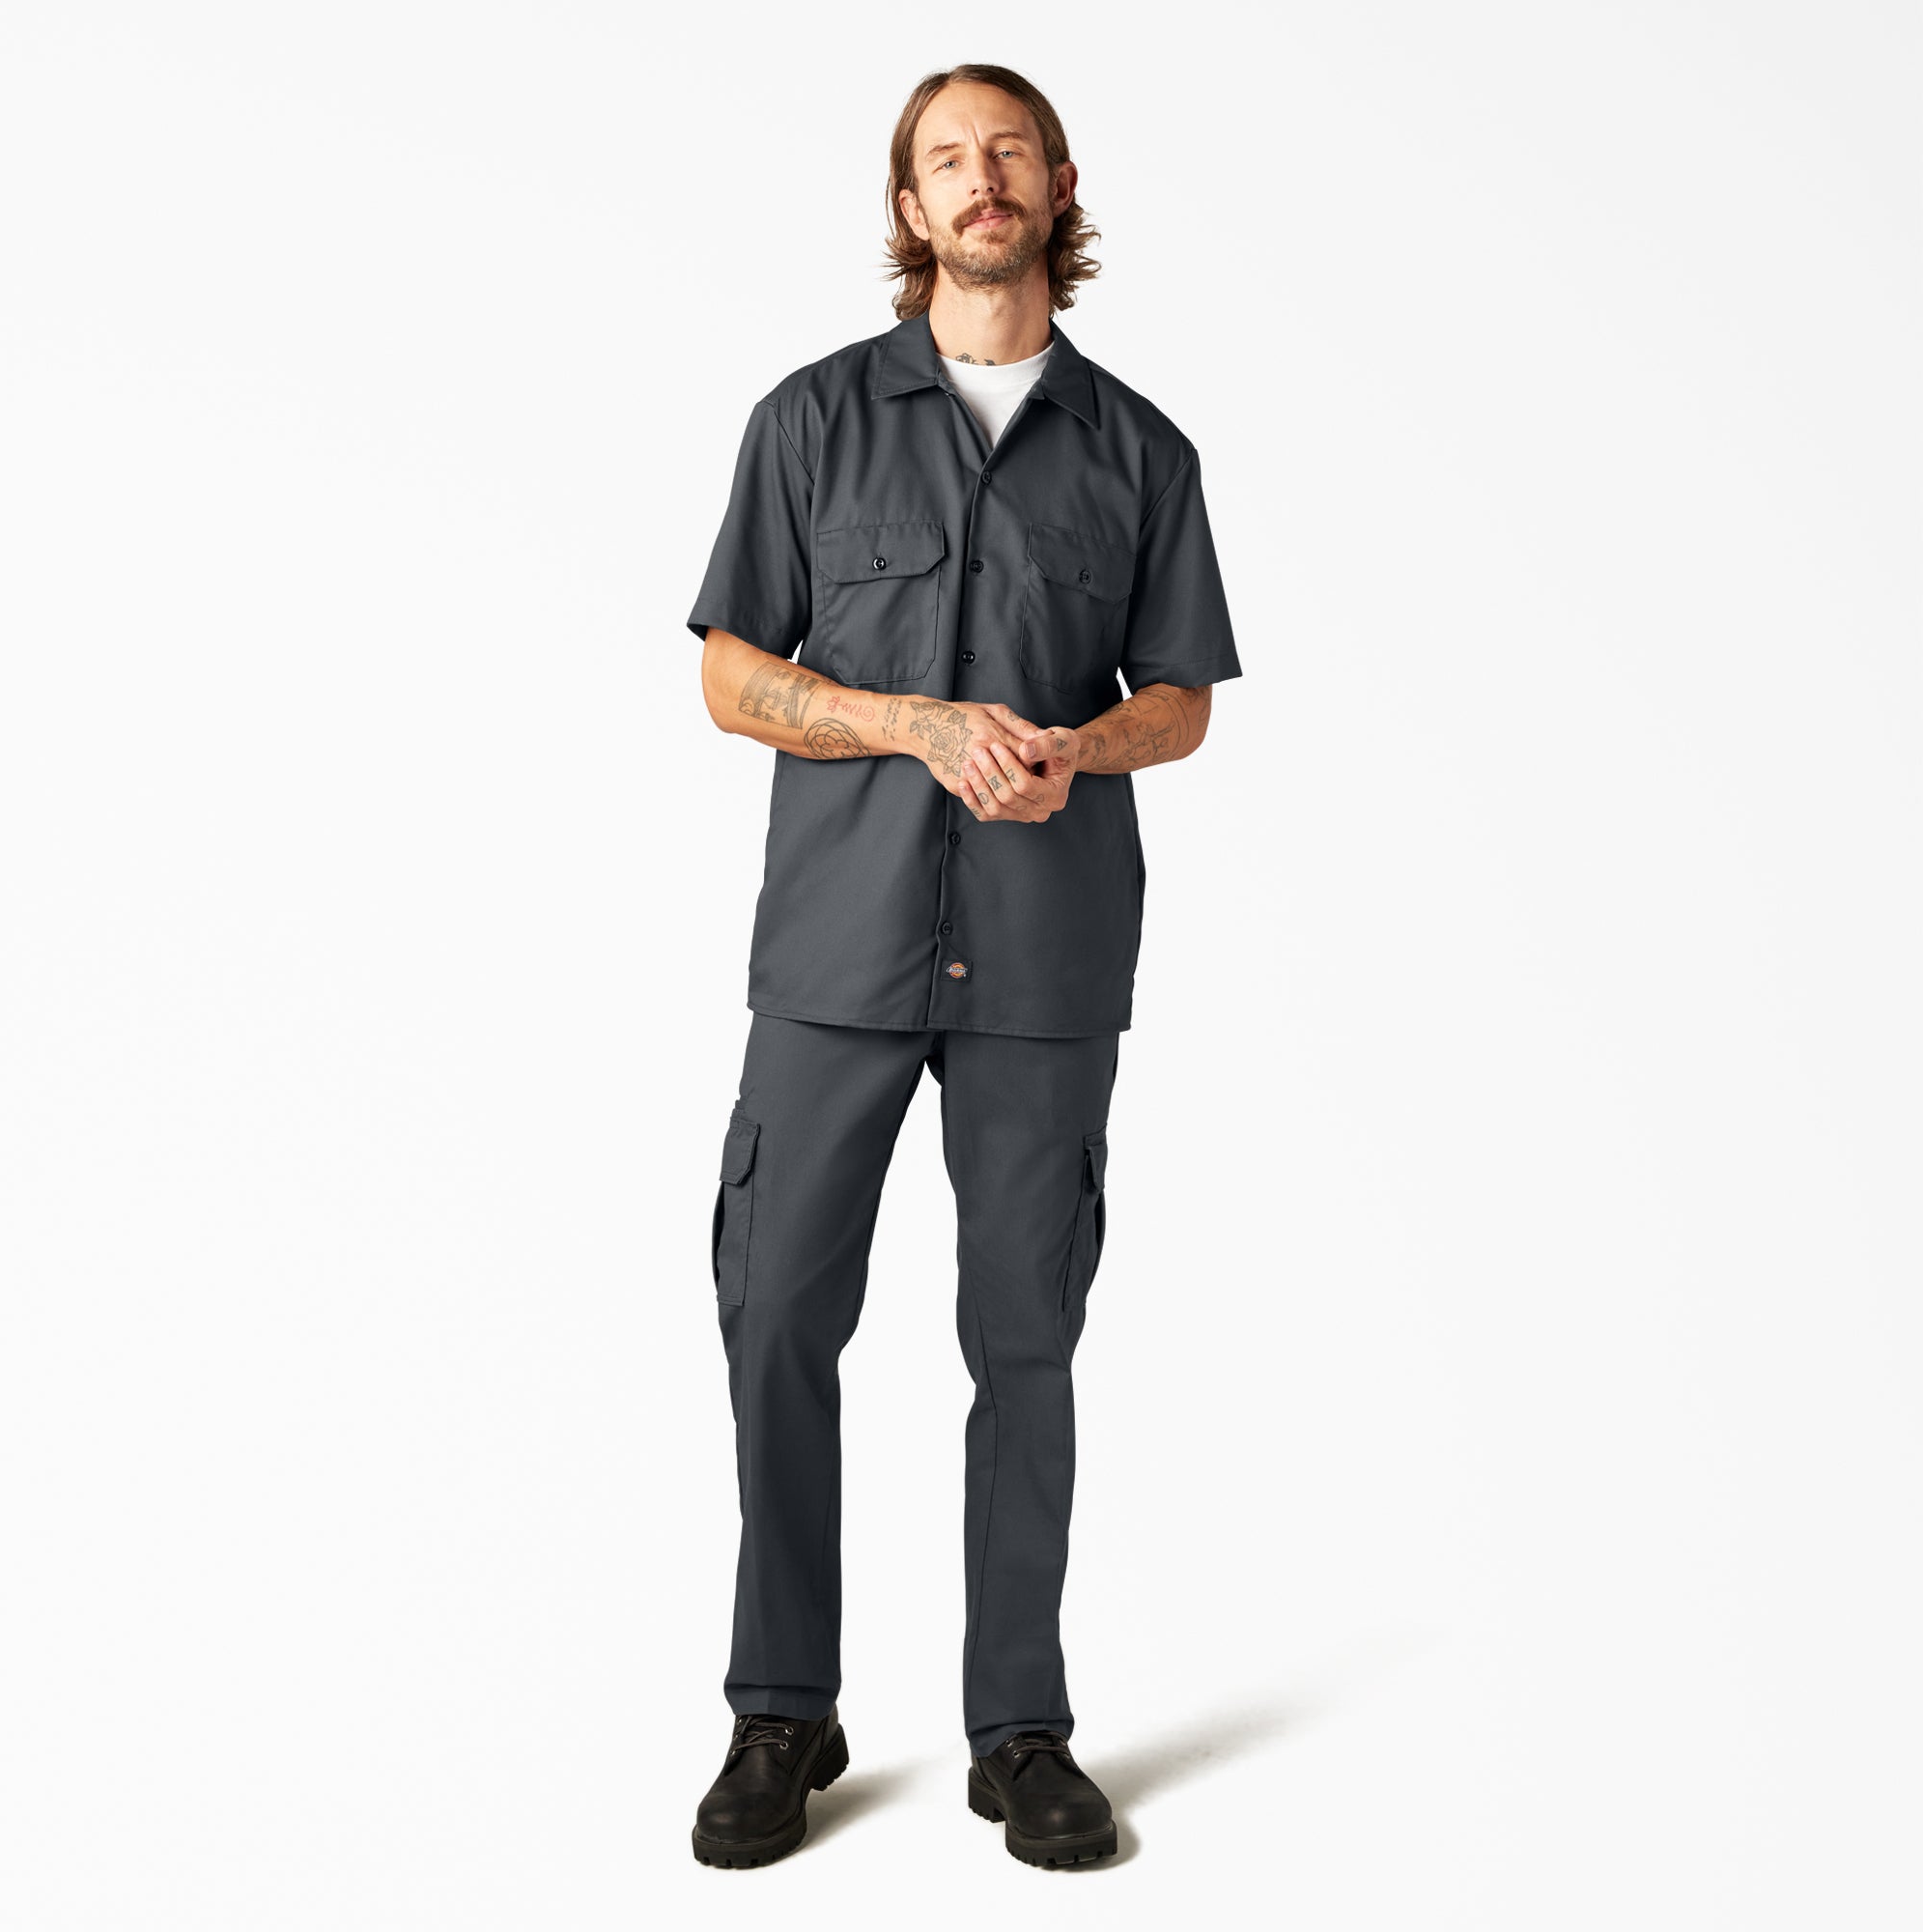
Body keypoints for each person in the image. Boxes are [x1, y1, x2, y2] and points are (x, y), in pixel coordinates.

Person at [683, 62, 1242, 1870]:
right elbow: (730, 677)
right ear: (909, 206)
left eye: (1009, 151)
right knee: (779, 1313)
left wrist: (1082, 746)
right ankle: (785, 1710)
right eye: (946, 158)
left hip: (1045, 955)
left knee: (1026, 1339)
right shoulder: (810, 423)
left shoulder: (1142, 453)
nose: (980, 178)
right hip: (835, 950)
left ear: (1057, 185)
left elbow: (1180, 699)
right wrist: (914, 722)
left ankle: (1022, 1731)